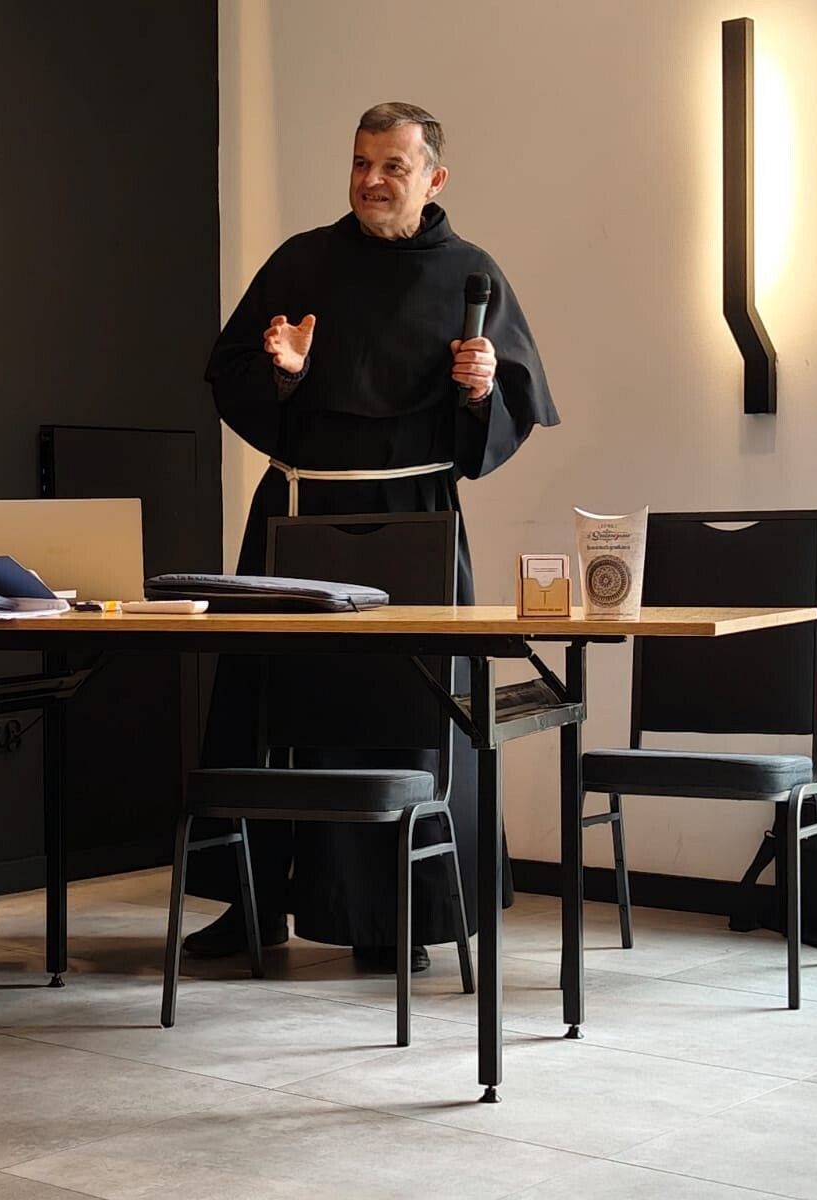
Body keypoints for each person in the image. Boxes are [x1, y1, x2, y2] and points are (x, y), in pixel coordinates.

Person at [186, 102, 559, 968]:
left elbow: (505, 415)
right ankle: (253, 905)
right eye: (361, 163)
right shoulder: (301, 262)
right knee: (266, 708)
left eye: (393, 165)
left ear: (434, 177)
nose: (371, 180)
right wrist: (284, 375)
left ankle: (400, 916)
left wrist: (480, 388)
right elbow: (231, 374)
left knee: (404, 716)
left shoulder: (472, 274)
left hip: (414, 524)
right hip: (298, 515)